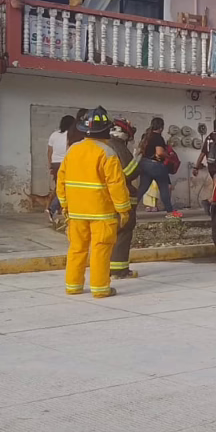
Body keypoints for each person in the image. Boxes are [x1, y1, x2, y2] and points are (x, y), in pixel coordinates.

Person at [57, 108, 131, 299]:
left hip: (76, 212)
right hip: (101, 213)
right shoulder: (107, 153)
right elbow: (116, 185)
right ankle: (100, 288)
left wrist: (65, 206)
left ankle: (73, 286)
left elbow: (61, 181)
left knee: (76, 248)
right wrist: (124, 210)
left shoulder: (72, 150)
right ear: (106, 130)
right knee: (100, 249)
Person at [108, 117, 141, 279]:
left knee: (108, 235)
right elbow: (131, 172)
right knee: (124, 231)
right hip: (121, 196)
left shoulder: (102, 145)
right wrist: (137, 160)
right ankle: (119, 270)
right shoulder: (118, 146)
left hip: (104, 197)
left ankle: (105, 267)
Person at [136, 117, 175, 213]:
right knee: (164, 188)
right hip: (156, 166)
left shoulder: (145, 136)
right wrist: (168, 155)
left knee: (142, 188)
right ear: (161, 127)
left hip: (144, 164)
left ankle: (129, 209)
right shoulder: (158, 137)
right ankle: (170, 212)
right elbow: (159, 152)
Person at [47, 115, 75, 223]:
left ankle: (58, 209)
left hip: (55, 164)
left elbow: (49, 151)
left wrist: (50, 164)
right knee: (65, 189)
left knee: (60, 187)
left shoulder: (54, 135)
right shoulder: (70, 135)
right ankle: (52, 209)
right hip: (65, 164)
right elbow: (69, 150)